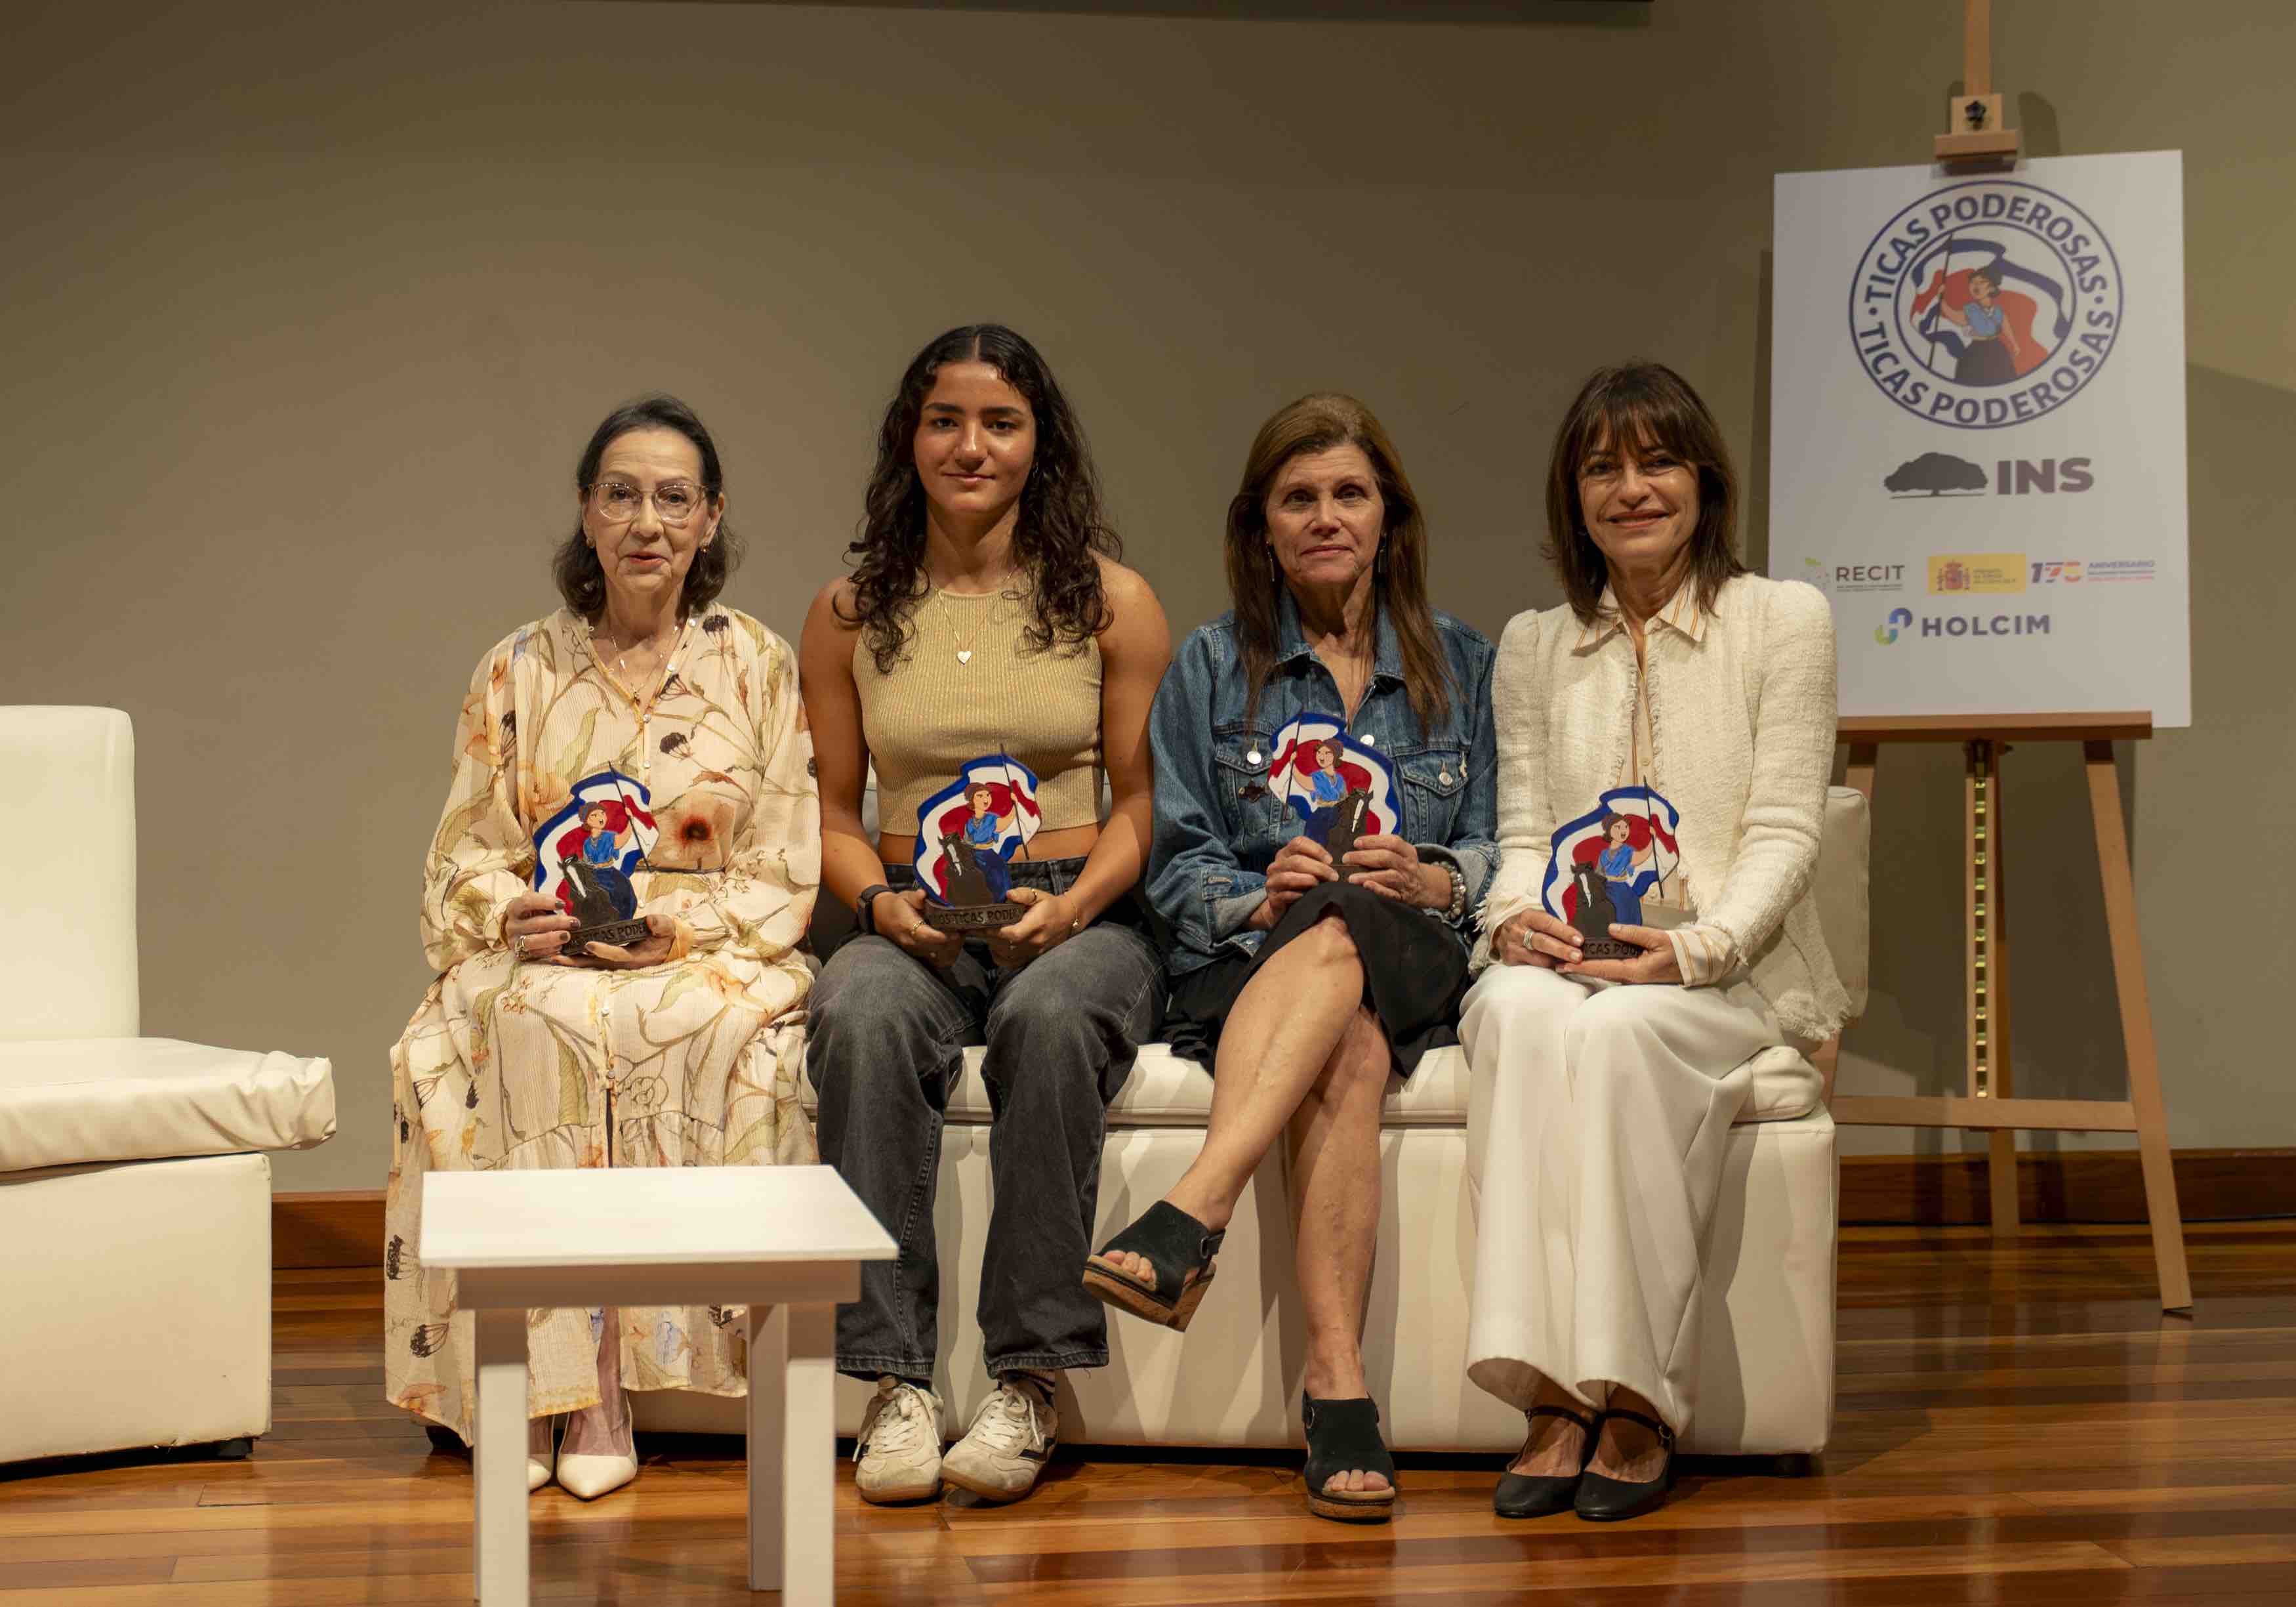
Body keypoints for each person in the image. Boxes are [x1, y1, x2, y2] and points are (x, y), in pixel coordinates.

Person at [385, 395, 820, 1500]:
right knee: (535, 1018)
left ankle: (628, 1381)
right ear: (587, 511)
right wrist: (510, 912)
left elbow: (784, 864)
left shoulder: (757, 665)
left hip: (699, 943)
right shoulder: (519, 669)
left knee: (709, 1024)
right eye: (622, 493)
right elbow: (460, 856)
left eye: (675, 498)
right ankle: (551, 1385)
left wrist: (685, 924)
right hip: (554, 946)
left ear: (711, 518)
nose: (647, 521)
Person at [1084, 392, 1497, 1523]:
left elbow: (1503, 839)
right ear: (1262, 526)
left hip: (1411, 949)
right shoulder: (1213, 668)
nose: (1325, 516)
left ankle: (1194, 1206)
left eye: (1349, 493)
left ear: (1388, 517)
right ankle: (1337, 1383)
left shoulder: (1466, 662)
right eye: (1298, 497)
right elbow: (1173, 857)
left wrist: (1438, 877)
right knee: (1348, 1042)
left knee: (1351, 921)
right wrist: (1242, 891)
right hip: (1255, 959)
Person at [1462, 362, 1848, 1522]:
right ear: (1573, 498)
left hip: (1724, 969)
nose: (1631, 488)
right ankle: (1545, 1389)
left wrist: (1701, 946)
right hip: (1570, 961)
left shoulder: (1783, 619)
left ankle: (1636, 1392)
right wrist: (1506, 918)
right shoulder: (1535, 644)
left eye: (1656, 460)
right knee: (1514, 1015)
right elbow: (1523, 826)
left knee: (1629, 1030)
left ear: (1703, 478)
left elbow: (1786, 824)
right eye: (1601, 466)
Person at [800, 324, 1172, 1506]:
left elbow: (1141, 804)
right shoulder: (853, 609)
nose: (972, 445)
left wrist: (1072, 913)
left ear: (1039, 442)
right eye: (946, 419)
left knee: (1057, 1018)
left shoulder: (1113, 600)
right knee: (855, 1008)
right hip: (910, 916)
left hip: (1074, 913)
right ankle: (894, 1381)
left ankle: (1027, 1377)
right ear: (908, 438)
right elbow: (828, 808)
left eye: (1000, 421)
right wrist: (876, 904)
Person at [1938, 265, 2022, 385]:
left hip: (1997, 351)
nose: (1976, 286)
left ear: (1992, 288)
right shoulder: (1970, 310)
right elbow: (1954, 317)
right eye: (1973, 283)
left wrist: (2014, 344)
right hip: (1976, 352)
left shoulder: (1998, 311)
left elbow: (2005, 325)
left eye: (1982, 282)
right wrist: (1941, 300)